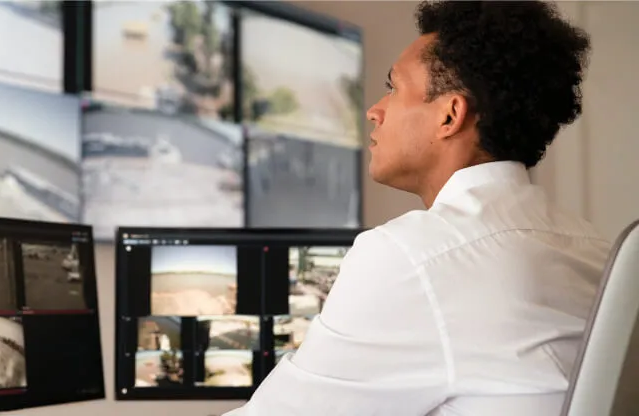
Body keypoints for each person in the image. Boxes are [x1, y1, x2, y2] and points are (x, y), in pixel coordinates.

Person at [224, 1, 610, 415]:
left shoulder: (413, 257)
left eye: (394, 88)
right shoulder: (594, 247)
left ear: (449, 115)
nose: (374, 111)